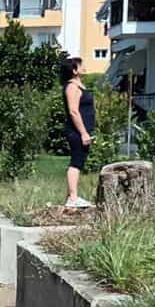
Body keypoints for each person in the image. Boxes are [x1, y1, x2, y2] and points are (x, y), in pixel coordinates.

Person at [60, 56, 94, 209]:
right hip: (76, 131)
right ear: (74, 70)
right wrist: (83, 133)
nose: (84, 66)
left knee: (79, 161)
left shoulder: (79, 86)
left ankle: (70, 197)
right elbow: (74, 111)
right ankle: (73, 197)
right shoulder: (72, 87)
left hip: (83, 130)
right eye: (81, 65)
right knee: (76, 162)